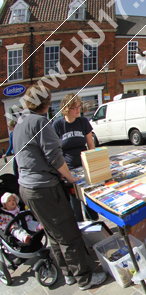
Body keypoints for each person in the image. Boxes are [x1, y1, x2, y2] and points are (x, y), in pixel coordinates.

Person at [13, 85, 107, 290]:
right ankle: (84, 278)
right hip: (44, 188)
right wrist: (72, 179)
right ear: (46, 103)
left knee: (53, 234)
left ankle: (68, 273)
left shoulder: (20, 122)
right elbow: (55, 158)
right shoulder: (40, 122)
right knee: (68, 233)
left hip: (27, 188)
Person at [53, 93, 99, 222]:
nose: (78, 110)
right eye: (74, 107)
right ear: (66, 109)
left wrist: (93, 161)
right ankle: (80, 228)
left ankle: (94, 223)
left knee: (88, 200)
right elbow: (57, 150)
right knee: (75, 203)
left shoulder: (83, 121)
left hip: (84, 166)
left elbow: (90, 143)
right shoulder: (58, 125)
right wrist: (61, 171)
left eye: (79, 106)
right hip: (69, 168)